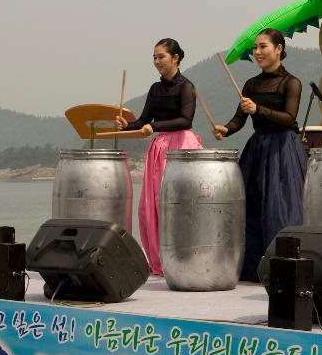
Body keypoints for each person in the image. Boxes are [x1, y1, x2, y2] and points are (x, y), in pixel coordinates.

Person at [213, 28, 307, 282]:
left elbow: (288, 119)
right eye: (255, 48)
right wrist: (226, 129)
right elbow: (239, 118)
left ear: (278, 49)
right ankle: (253, 268)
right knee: (253, 208)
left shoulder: (291, 82)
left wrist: (258, 108)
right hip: (257, 149)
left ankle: (283, 267)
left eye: (263, 47)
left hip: (283, 149)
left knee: (281, 207)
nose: (257, 52)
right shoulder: (251, 84)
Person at [116, 38, 202, 276]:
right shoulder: (155, 89)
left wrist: (154, 127)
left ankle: (183, 257)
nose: (156, 61)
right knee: (150, 207)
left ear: (176, 58)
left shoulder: (186, 86)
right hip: (158, 148)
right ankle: (159, 261)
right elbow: (143, 121)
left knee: (176, 205)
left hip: (180, 147)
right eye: (154, 57)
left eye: (161, 56)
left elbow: (186, 120)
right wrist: (126, 126)